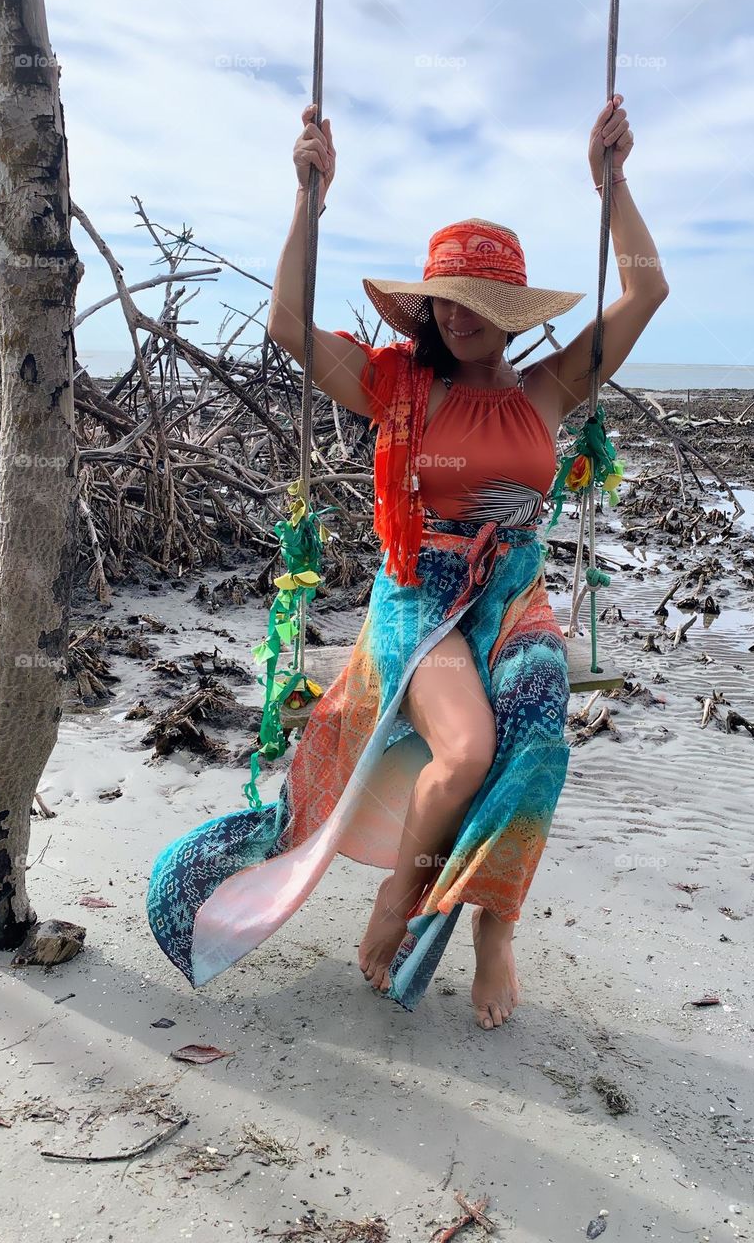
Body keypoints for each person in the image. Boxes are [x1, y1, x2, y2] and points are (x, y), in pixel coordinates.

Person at [145, 95, 668, 1032]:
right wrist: (311, 195)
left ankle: (492, 933)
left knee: (538, 737)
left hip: (514, 592)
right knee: (465, 748)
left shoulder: (552, 388)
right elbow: (288, 326)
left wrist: (613, 186)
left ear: (511, 315)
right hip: (419, 594)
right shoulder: (395, 384)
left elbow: (646, 290)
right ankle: (403, 900)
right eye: (446, 301)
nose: (460, 318)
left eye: (482, 304)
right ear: (426, 306)